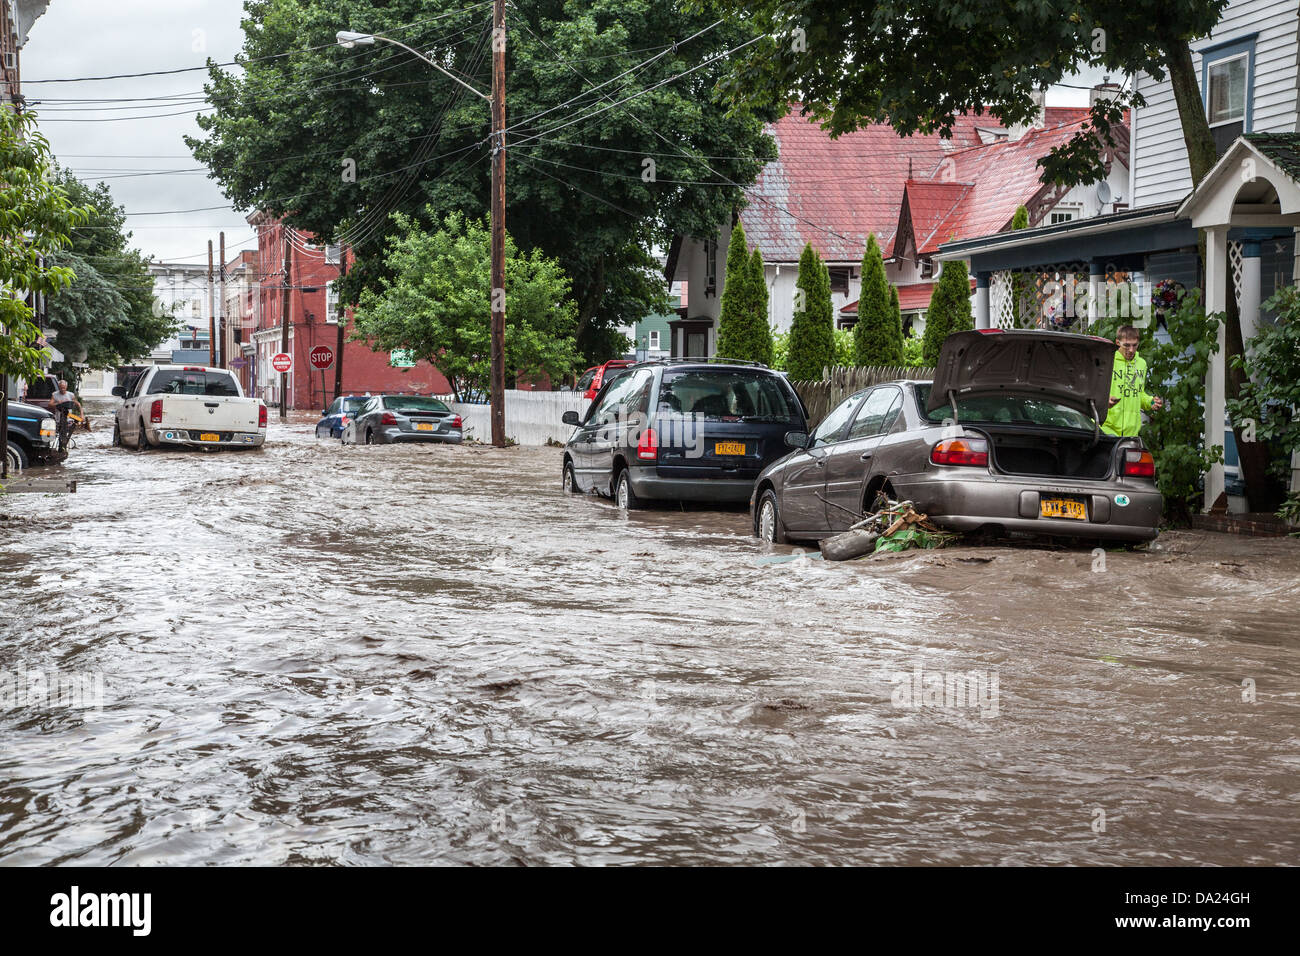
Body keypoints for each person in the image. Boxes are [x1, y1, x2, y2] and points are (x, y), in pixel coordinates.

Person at [1101, 325, 1163, 438]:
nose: (1131, 350)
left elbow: (1139, 394)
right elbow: (1094, 389)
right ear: (1118, 342)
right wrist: (1104, 400)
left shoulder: (1141, 364)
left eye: (1135, 345)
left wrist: (1152, 402)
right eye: (1127, 345)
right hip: (1105, 428)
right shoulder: (1106, 360)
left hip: (1131, 432)